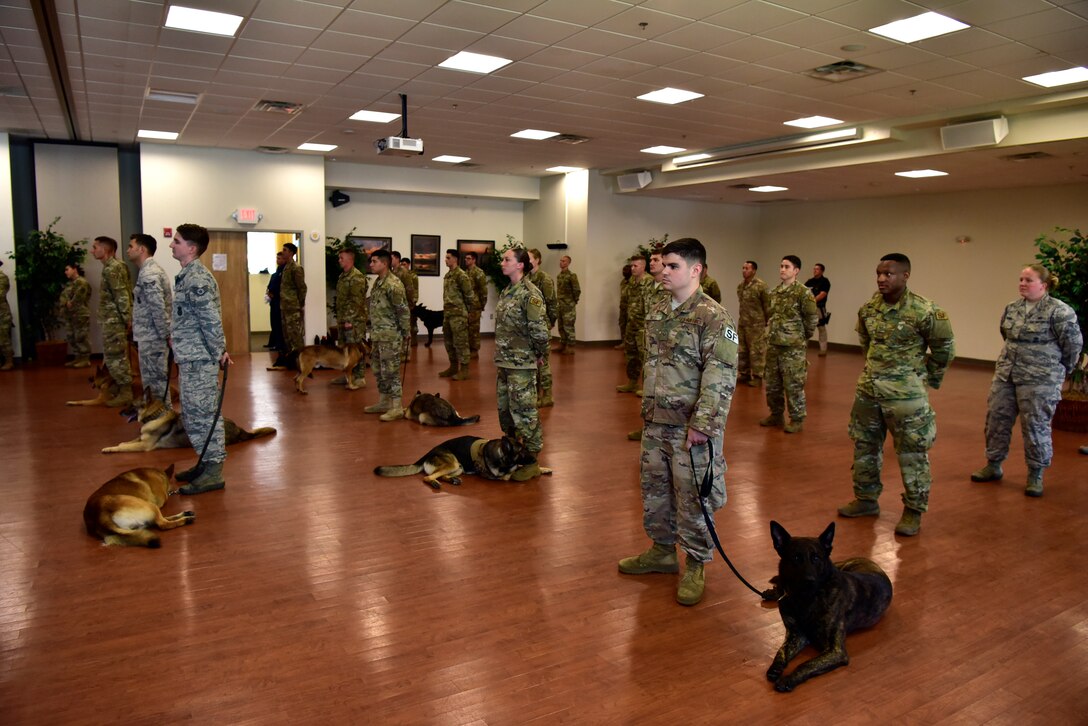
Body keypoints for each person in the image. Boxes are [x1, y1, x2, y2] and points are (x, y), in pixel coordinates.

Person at [618, 238, 738, 607]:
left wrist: (702, 426)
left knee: (692, 497)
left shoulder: (713, 317)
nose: (662, 271)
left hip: (691, 429)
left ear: (695, 270)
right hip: (656, 423)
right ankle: (662, 550)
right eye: (662, 265)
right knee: (655, 491)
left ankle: (696, 563)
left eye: (672, 266)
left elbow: (720, 377)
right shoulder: (658, 311)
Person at [838, 253, 955, 536]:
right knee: (865, 446)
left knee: (912, 453)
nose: (881, 279)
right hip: (869, 391)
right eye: (878, 273)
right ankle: (866, 500)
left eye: (888, 274)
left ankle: (913, 510)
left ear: (905, 275)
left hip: (906, 398)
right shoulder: (868, 309)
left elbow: (944, 350)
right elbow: (866, 344)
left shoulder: (925, 311)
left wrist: (924, 380)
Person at [970, 264, 1082, 497]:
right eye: (1021, 279)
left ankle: (1035, 474)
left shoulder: (1059, 312)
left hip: (1040, 380)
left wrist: (1061, 371)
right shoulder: (1012, 308)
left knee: (1035, 426)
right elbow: (1005, 334)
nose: (1022, 283)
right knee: (996, 420)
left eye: (1028, 280)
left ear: (1044, 284)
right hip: (1006, 375)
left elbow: (1073, 346)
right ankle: (993, 465)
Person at [169, 223, 232, 495]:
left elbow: (211, 321)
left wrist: (220, 352)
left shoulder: (197, 279)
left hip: (200, 360)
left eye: (177, 241)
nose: (172, 245)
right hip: (189, 357)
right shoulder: (186, 275)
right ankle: (205, 463)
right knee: (193, 415)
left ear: (191, 249)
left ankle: (214, 471)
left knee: (205, 416)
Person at [494, 248, 550, 472]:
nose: (502, 263)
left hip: (522, 363)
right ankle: (515, 450)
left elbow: (540, 331)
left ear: (520, 265)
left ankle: (532, 459)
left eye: (507, 259)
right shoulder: (507, 290)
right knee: (505, 410)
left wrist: (540, 354)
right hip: (504, 362)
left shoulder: (530, 294)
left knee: (525, 412)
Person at [761, 255, 818, 433]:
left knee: (793, 384)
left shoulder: (803, 293)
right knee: (772, 384)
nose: (782, 269)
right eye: (781, 266)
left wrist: (800, 337)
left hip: (793, 348)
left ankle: (797, 418)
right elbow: (771, 315)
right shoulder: (775, 292)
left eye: (786, 266)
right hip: (774, 345)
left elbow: (811, 320)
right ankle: (776, 414)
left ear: (796, 270)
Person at [364, 248, 411, 421]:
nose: (371, 264)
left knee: (391, 371)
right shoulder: (378, 282)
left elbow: (402, 310)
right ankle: (384, 402)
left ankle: (397, 406)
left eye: (374, 261)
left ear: (384, 263)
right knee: (378, 369)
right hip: (377, 334)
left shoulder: (393, 284)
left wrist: (406, 332)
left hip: (390, 335)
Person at [127, 233, 172, 406]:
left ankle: (162, 424)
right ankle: (160, 423)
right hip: (151, 337)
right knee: (154, 385)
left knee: (156, 387)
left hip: (154, 339)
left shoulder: (149, 273)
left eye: (131, 246)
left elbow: (158, 308)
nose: (128, 250)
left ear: (142, 249)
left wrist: (166, 335)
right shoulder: (146, 271)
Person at [91, 236, 133, 406]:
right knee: (112, 356)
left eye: (95, 247)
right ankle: (117, 387)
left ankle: (126, 392)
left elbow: (121, 294)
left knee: (116, 357)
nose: (92, 250)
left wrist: (126, 319)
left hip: (114, 321)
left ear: (105, 249)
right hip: (111, 320)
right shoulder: (114, 266)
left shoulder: (112, 269)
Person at [333, 246, 369, 387]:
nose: (339, 260)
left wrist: (350, 320)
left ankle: (359, 377)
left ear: (350, 259)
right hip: (343, 319)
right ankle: (347, 376)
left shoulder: (357, 277)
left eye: (341, 258)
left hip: (354, 321)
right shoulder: (343, 276)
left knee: (356, 350)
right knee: (344, 349)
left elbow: (357, 301)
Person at [440, 249, 477, 380]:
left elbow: (469, 295)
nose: (446, 260)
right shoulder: (448, 275)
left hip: (459, 315)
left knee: (461, 343)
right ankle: (453, 367)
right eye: (446, 257)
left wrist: (469, 312)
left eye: (448, 257)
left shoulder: (461, 275)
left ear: (455, 259)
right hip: (448, 314)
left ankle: (465, 370)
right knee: (448, 342)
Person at [528, 248, 557, 406]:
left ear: (538, 260)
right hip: (530, 326)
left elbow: (551, 302)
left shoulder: (544, 279)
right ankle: (537, 393)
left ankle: (547, 395)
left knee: (543, 362)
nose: (527, 261)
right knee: (533, 362)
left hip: (541, 325)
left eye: (530, 258)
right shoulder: (526, 278)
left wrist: (550, 321)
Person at [617, 255, 649, 393]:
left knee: (644, 356)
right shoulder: (631, 281)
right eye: (632, 266)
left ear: (643, 266)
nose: (632, 268)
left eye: (636, 266)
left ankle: (646, 387)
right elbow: (626, 302)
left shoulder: (649, 282)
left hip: (643, 325)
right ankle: (632, 382)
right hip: (632, 323)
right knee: (631, 354)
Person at [736, 260, 770, 387]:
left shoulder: (761, 286)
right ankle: (744, 373)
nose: (744, 270)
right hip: (743, 323)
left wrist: (766, 321)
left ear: (754, 271)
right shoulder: (741, 286)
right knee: (742, 350)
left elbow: (767, 305)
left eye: (747, 268)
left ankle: (757, 376)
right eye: (743, 268)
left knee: (757, 351)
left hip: (756, 325)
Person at [277, 242, 306, 367]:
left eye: (285, 250)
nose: (282, 252)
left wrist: (299, 304)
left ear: (291, 253)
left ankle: (302, 361)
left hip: (293, 307)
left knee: (295, 335)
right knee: (287, 336)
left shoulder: (296, 268)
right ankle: (292, 361)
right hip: (285, 306)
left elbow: (302, 288)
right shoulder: (286, 267)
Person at [59, 263, 92, 368]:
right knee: (71, 337)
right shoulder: (71, 284)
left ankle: (85, 359)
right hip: (70, 315)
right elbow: (63, 298)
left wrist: (70, 302)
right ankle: (77, 357)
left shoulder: (81, 282)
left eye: (67, 269)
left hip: (80, 314)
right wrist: (66, 303)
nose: (65, 272)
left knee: (81, 336)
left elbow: (78, 298)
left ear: (75, 269)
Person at [463, 251, 488, 359]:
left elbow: (483, 290)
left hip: (475, 305)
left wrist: (482, 305)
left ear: (474, 260)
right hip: (465, 305)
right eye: (465, 258)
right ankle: (467, 348)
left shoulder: (478, 273)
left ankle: (474, 350)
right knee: (466, 328)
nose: (466, 260)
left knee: (474, 329)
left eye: (468, 258)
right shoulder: (465, 272)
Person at [392, 252, 419, 350]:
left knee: (408, 326)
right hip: (395, 305)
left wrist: (411, 302)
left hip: (405, 303)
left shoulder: (405, 273)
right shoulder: (392, 272)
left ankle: (406, 350)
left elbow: (411, 289)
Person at [555, 254, 580, 354]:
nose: (561, 262)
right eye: (561, 261)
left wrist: (573, 301)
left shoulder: (572, 276)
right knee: (561, 325)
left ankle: (570, 346)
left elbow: (577, 290)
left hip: (568, 305)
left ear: (569, 263)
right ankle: (563, 344)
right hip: (560, 305)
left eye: (564, 261)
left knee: (568, 326)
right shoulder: (559, 276)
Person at [805, 263, 831, 356]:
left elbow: (823, 294)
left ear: (822, 271)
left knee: (821, 328)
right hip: (808, 308)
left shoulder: (825, 281)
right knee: (806, 328)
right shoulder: (809, 281)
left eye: (817, 269)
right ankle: (803, 349)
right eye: (814, 269)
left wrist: (812, 301)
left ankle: (823, 350)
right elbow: (804, 292)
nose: (814, 271)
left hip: (819, 307)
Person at [264, 249, 285, 352]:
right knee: (274, 323)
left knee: (278, 324)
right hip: (274, 302)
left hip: (279, 302)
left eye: (279, 258)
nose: (277, 260)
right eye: (277, 258)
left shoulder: (284, 271)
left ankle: (279, 344)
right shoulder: (277, 272)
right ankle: (273, 342)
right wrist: (269, 292)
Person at [615, 263, 632, 349]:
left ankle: (629, 344)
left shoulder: (634, 282)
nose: (624, 272)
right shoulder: (623, 282)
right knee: (622, 324)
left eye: (626, 270)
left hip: (632, 308)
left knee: (630, 326)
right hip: (623, 307)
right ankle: (623, 342)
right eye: (623, 270)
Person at [0, 260, 13, 370]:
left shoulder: (2, 277)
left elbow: (1, 294)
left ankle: (9, 361)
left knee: (4, 338)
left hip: (2, 314)